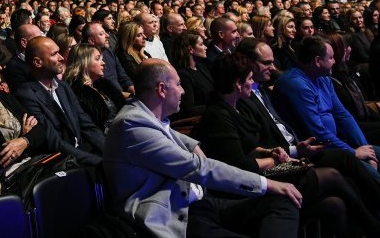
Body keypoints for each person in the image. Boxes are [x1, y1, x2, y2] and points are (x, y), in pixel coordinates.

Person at [195, 53, 380, 236]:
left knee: (334, 203)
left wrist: (270, 151)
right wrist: (275, 159)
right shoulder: (218, 116)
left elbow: (250, 147)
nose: (253, 83)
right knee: (333, 175)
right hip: (249, 189)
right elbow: (239, 166)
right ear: (238, 84)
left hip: (269, 172)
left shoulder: (235, 106)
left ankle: (379, 224)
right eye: (249, 79)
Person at [102, 59, 302, 238]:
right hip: (177, 217)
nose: (183, 91)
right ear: (162, 89)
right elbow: (199, 168)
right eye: (179, 85)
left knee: (282, 201)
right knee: (277, 191)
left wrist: (194, 145)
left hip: (201, 203)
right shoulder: (133, 125)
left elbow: (173, 137)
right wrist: (266, 183)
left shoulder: (148, 118)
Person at [273, 35, 380, 176]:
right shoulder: (296, 84)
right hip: (316, 152)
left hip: (338, 144)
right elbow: (318, 132)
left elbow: (343, 115)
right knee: (372, 174)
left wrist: (366, 149)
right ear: (317, 61)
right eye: (331, 58)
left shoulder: (323, 78)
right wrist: (354, 152)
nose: (334, 61)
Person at [16, 37, 105, 165]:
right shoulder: (27, 94)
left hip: (82, 151)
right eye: (54, 54)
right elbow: (53, 141)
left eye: (58, 52)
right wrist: (98, 162)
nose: (61, 58)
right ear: (37, 62)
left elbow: (86, 124)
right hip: (61, 162)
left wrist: (111, 150)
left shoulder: (62, 86)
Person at [64, 43, 126, 133]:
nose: (103, 63)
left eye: (102, 59)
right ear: (84, 62)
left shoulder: (102, 84)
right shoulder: (74, 92)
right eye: (97, 59)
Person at [169, 32, 214, 118]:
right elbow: (188, 109)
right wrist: (215, 105)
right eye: (201, 44)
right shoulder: (183, 75)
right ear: (190, 49)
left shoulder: (203, 67)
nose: (206, 47)